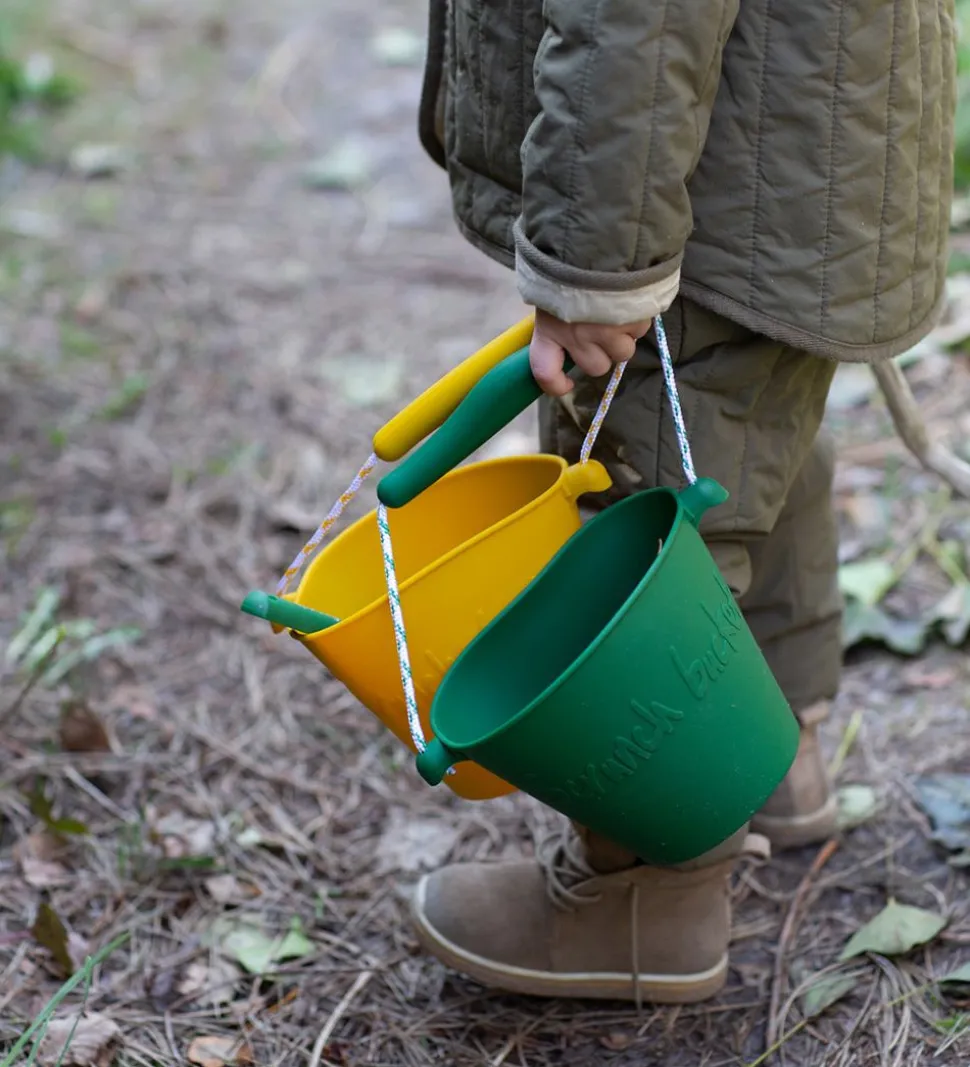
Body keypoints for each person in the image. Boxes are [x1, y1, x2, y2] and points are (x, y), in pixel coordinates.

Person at [409, 0, 956, 1003]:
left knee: (645, 498)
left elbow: (638, 18)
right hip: (788, 147)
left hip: (699, 186)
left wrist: (593, 264)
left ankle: (641, 899)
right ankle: (774, 758)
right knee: (747, 441)